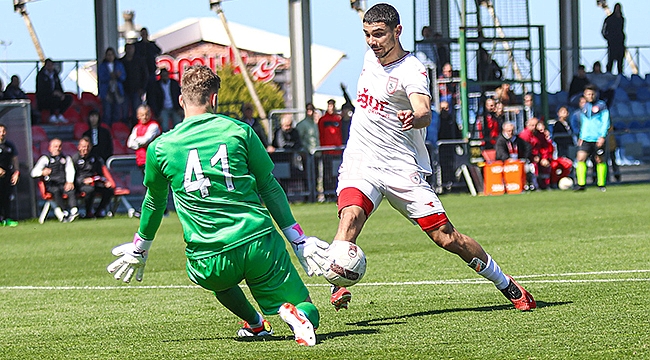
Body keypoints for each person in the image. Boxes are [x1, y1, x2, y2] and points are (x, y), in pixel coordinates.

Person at [323, 3, 535, 312]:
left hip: (401, 168)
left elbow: (423, 109)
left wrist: (416, 116)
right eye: (367, 35)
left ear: (398, 31)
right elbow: (369, 25)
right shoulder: (371, 56)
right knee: (350, 218)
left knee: (446, 238)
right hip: (362, 162)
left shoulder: (413, 69)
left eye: (379, 35)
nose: (372, 42)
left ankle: (505, 283)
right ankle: (338, 281)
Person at [106, 65, 328, 346]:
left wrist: (141, 246)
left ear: (181, 100)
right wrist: (297, 239)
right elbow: (269, 186)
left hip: (208, 254)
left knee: (218, 281)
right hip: (256, 241)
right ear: (214, 99)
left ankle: (256, 324)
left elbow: (154, 200)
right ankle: (295, 314)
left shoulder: (160, 147)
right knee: (307, 308)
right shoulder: (240, 131)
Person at [31, 138, 79, 222]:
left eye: (59, 146)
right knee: (56, 191)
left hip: (63, 183)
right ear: (50, 148)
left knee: (71, 190)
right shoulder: (45, 159)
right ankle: (64, 212)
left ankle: (74, 211)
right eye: (55, 146)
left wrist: (69, 182)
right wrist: (42, 172)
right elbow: (33, 172)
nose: (57, 148)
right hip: (51, 184)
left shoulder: (66, 158)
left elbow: (70, 170)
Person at [575, 84, 610, 192]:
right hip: (586, 138)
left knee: (599, 160)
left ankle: (601, 184)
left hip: (597, 138)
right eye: (588, 94)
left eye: (592, 94)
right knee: (580, 158)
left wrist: (602, 136)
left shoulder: (601, 106)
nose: (590, 96)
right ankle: (581, 184)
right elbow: (583, 123)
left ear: (595, 94)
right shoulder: (584, 107)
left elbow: (605, 121)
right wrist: (581, 136)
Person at [71, 137, 114, 218]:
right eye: (83, 146)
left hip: (94, 182)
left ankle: (99, 211)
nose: (85, 149)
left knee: (109, 190)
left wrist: (105, 181)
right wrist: (83, 181)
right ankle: (88, 212)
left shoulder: (95, 158)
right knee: (90, 190)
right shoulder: (75, 159)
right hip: (81, 184)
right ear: (79, 147)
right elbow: (73, 176)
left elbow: (100, 173)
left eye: (87, 146)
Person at [35, 59, 73, 124]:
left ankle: (60, 114)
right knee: (54, 98)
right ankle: (52, 116)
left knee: (68, 98)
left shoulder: (55, 74)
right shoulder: (41, 75)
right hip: (44, 98)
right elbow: (41, 89)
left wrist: (61, 94)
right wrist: (52, 93)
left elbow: (59, 86)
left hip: (56, 95)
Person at [120, 43, 148, 126]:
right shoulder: (121, 62)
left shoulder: (139, 61)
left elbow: (145, 75)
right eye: (128, 49)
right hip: (125, 90)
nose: (129, 51)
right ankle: (125, 128)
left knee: (137, 111)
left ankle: (137, 127)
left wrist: (143, 88)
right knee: (124, 112)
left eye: (131, 48)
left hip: (137, 90)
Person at [98, 47, 127, 125]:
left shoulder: (119, 65)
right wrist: (110, 76)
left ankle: (115, 128)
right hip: (107, 91)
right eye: (108, 55)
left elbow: (124, 76)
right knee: (107, 112)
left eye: (111, 55)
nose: (110, 57)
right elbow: (101, 77)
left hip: (117, 91)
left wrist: (118, 76)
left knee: (117, 112)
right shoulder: (102, 66)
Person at [127, 105, 161, 172]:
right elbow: (129, 144)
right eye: (142, 115)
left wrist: (136, 140)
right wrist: (140, 144)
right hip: (140, 161)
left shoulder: (154, 126)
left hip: (152, 161)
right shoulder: (136, 128)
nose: (145, 117)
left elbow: (145, 140)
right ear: (138, 116)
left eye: (147, 114)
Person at [0, 123, 20, 226]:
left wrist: (16, 172)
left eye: (3, 131)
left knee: (7, 196)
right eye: (0, 131)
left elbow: (14, 159)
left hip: (7, 175)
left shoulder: (9, 145)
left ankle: (7, 218)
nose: (2, 134)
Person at [601, 3, 626, 75]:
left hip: (620, 43)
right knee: (610, 61)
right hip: (612, 44)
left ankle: (620, 76)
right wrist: (608, 38)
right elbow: (603, 31)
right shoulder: (609, 19)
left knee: (620, 63)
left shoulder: (622, 19)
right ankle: (609, 75)